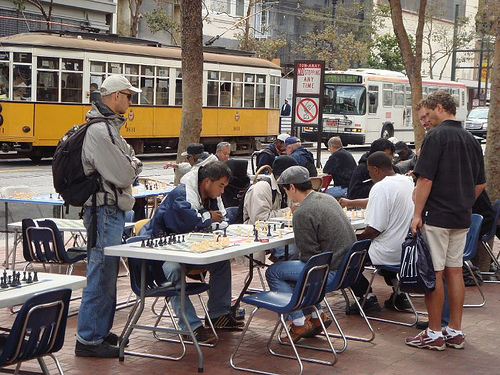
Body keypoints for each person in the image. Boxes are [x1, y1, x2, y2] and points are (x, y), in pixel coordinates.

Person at [406, 90, 486, 351]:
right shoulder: (471, 139)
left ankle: (434, 333)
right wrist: (463, 202)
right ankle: (455, 330)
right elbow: (481, 183)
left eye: (426, 116)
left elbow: (425, 179)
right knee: (454, 272)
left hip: (437, 216)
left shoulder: (435, 137)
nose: (424, 122)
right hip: (461, 217)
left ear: (439, 107)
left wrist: (417, 214)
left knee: (435, 274)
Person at [75, 74, 143, 358]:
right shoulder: (100, 132)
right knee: (101, 274)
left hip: (110, 209)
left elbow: (130, 159)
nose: (131, 101)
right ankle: (89, 339)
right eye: (129, 96)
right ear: (116, 96)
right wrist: (132, 165)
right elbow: (126, 171)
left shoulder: (108, 128)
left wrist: (132, 163)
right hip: (104, 210)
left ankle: (100, 331)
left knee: (107, 273)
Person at [140, 162, 244, 343]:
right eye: (220, 186)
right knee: (173, 269)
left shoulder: (210, 197)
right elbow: (186, 222)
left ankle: (218, 314)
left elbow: (220, 219)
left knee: (221, 263)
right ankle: (191, 325)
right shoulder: (182, 194)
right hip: (159, 252)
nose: (222, 192)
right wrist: (208, 217)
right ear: (207, 182)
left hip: (190, 250)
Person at [266, 166, 356, 343]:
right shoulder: (328, 198)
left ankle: (298, 322)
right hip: (347, 268)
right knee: (290, 272)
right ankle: (316, 315)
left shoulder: (302, 212)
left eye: (285, 190)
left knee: (275, 272)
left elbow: (309, 258)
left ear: (292, 187)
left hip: (331, 272)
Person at [348, 152, 414, 312]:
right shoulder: (407, 181)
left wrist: (352, 239)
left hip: (386, 251)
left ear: (376, 170)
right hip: (406, 249)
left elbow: (374, 230)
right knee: (367, 249)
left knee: (345, 258)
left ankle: (366, 298)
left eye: (369, 171)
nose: (369, 175)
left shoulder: (381, 187)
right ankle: (399, 293)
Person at [243, 156, 298, 261]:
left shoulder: (286, 187)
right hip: (257, 233)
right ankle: (281, 273)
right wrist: (289, 210)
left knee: (304, 247)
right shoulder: (261, 188)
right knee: (292, 252)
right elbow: (260, 219)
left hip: (280, 233)